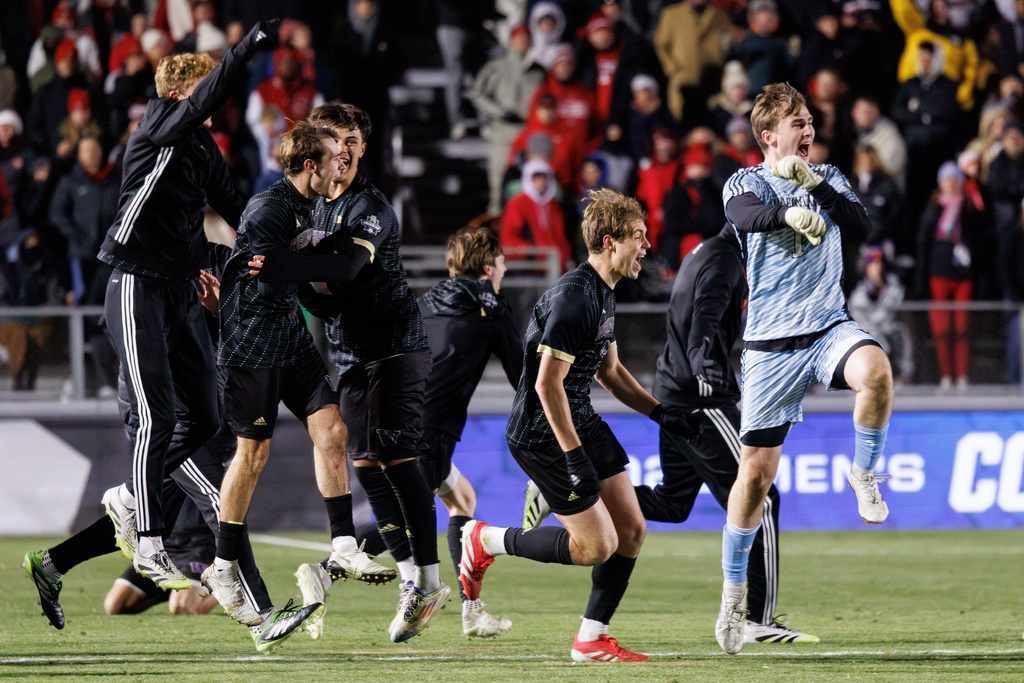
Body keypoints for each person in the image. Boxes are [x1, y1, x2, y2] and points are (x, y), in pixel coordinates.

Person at [24, 246, 321, 654]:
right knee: (221, 502)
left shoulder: (228, 261)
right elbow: (118, 330)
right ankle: (262, 616)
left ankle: (52, 563)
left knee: (143, 513)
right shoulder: (148, 266)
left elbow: (231, 337)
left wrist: (221, 314)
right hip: (167, 414)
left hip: (197, 415)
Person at [457, 188, 701, 663]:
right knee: (597, 545)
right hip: (541, 434)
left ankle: (591, 638)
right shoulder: (574, 298)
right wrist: (573, 459)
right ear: (610, 242)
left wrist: (661, 414)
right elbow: (547, 386)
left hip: (578, 419)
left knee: (630, 532)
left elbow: (608, 372)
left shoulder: (603, 293)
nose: (646, 246)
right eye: (637, 237)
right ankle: (483, 540)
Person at [253, 102, 449, 644]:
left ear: (362, 149)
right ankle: (411, 580)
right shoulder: (314, 209)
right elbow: (326, 303)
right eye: (333, 138)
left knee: (398, 456)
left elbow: (344, 268)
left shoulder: (370, 207)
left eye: (351, 140)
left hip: (395, 347)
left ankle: (430, 579)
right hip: (351, 354)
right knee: (364, 462)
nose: (342, 148)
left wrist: (277, 266)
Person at [96, 20, 278, 589]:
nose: (211, 102)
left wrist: (287, 236)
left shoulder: (200, 146)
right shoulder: (158, 121)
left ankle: (131, 496)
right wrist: (243, 50)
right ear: (180, 94)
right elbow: (210, 93)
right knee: (155, 415)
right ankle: (149, 541)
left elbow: (235, 205)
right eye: (202, 91)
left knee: (201, 416)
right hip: (134, 282)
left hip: (177, 288)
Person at [716, 82, 893, 654]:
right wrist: (789, 210)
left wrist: (814, 188)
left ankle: (863, 473)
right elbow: (744, 215)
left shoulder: (832, 176)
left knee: (876, 372)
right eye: (798, 123)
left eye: (811, 120)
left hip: (826, 329)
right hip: (768, 346)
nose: (809, 129)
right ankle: (734, 593)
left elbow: (862, 228)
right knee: (755, 479)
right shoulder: (745, 181)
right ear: (769, 136)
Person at [209, 121, 394, 641]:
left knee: (332, 432)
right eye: (335, 154)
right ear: (309, 165)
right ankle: (222, 568)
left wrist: (322, 263)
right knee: (253, 457)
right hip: (250, 345)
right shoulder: (269, 207)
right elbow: (258, 268)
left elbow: (292, 263)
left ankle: (342, 543)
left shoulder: (308, 205)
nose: (343, 161)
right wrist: (320, 264)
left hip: (288, 337)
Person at [295, 226, 523, 639]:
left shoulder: (426, 302)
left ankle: (471, 612)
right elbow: (522, 377)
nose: (504, 270)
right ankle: (328, 572)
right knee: (403, 519)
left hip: (397, 411)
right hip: (428, 436)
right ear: (489, 267)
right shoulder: (491, 309)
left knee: (462, 498)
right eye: (503, 264)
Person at [635, 224, 817, 644]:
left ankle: (579, 491)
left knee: (673, 501)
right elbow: (704, 319)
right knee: (762, 499)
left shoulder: (704, 250)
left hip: (673, 392)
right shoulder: (723, 261)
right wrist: (703, 365)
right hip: (700, 400)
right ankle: (759, 619)